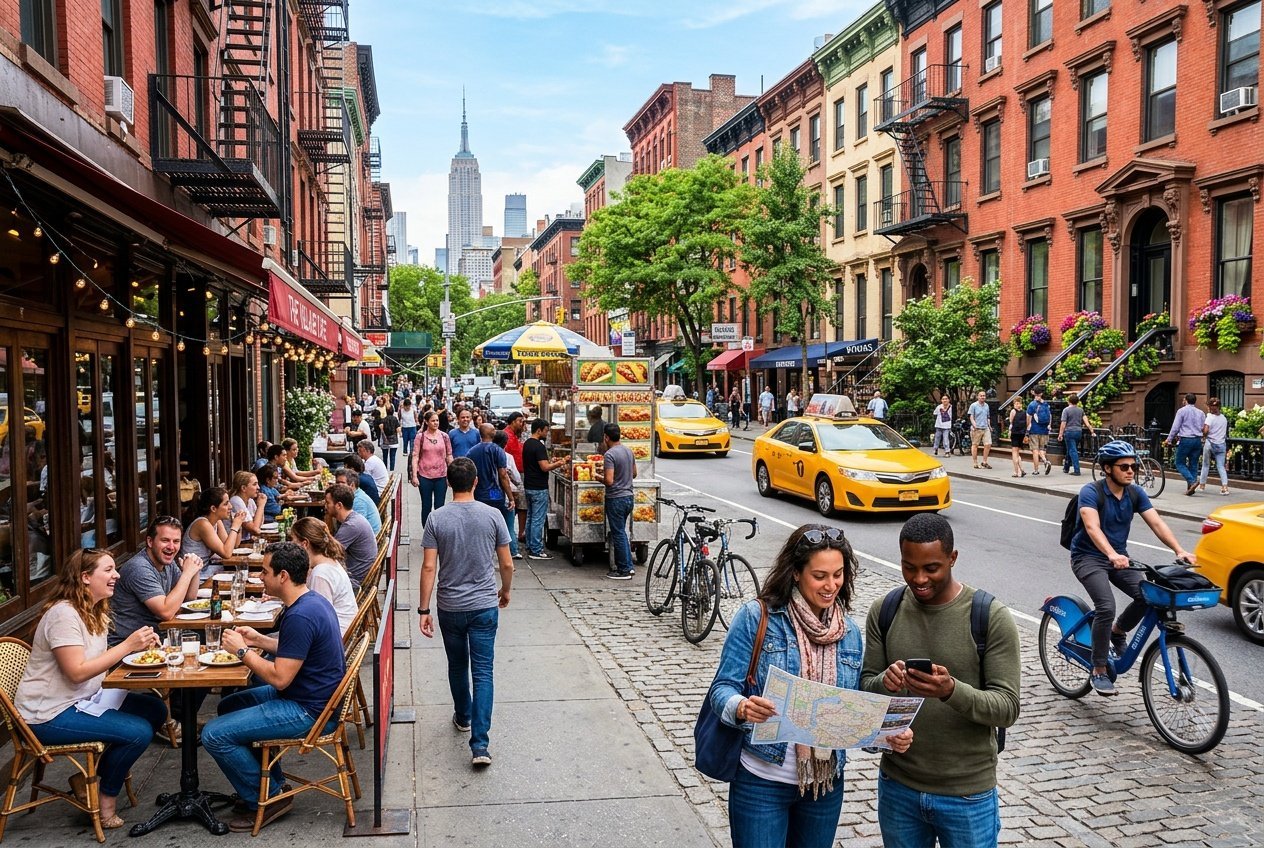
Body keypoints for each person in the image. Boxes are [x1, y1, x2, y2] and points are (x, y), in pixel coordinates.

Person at [708, 525, 912, 847]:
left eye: (838, 574)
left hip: (824, 785)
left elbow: (852, 714)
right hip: (762, 780)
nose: (831, 585)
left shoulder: (850, 634)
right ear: (796, 573)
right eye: (820, 576)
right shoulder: (757, 617)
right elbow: (722, 689)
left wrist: (888, 735)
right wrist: (742, 707)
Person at [861, 513, 1021, 848]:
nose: (918, 578)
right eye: (909, 567)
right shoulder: (885, 610)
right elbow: (865, 690)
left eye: (931, 568)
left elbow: (1006, 708)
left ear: (952, 558)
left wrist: (951, 691)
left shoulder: (990, 616)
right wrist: (884, 685)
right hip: (898, 787)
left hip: (967, 795)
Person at [16, 549, 166, 830]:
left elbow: (97, 661)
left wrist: (141, 650)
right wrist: (127, 646)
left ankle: (90, 778)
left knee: (155, 709)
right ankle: (104, 797)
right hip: (48, 714)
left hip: (83, 698)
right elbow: (76, 672)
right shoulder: (64, 614)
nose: (117, 575)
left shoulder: (95, 608)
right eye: (108, 570)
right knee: (138, 732)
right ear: (85, 577)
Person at [202, 542, 345, 832]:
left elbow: (280, 678)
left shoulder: (300, 615)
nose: (260, 577)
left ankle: (266, 798)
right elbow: (294, 649)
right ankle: (271, 781)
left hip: (308, 710)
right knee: (229, 705)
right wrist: (258, 640)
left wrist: (243, 652)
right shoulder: (311, 601)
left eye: (264, 572)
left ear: (282, 576)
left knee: (213, 734)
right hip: (312, 696)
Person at [1071, 440, 1195, 695]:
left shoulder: (1135, 493)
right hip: (1088, 557)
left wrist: (1179, 549)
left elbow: (1157, 523)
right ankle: (1099, 669)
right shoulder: (1091, 492)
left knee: (1148, 595)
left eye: (1134, 466)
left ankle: (1118, 632)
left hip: (1120, 558)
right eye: (1124, 466)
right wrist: (1111, 553)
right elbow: (1092, 527)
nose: (1131, 471)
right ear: (1107, 469)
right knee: (1106, 606)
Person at [417, 457, 514, 768]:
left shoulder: (436, 519)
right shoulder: (493, 516)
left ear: (447, 483)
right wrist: (506, 590)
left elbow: (429, 566)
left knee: (458, 666)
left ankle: (463, 715)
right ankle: (480, 744)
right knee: (483, 672)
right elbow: (507, 563)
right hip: (484, 603)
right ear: (475, 483)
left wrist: (423, 609)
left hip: (451, 605)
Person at [109, 516, 203, 646]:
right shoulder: (139, 568)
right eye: (165, 540)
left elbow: (189, 598)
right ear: (150, 541)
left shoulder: (166, 561)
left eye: (176, 541)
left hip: (156, 637)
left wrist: (195, 569)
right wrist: (187, 573)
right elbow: (166, 612)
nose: (171, 547)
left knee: (209, 635)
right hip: (129, 646)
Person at [289, 517, 358, 636]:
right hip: (340, 631)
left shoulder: (321, 573)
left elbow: (317, 618)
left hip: (336, 636)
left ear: (304, 544)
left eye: (294, 542)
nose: (291, 545)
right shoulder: (326, 562)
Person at [467, 424, 518, 558]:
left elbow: (469, 474)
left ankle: (481, 552)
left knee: (479, 526)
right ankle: (502, 555)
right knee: (497, 525)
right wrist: (510, 497)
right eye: (494, 429)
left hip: (479, 494)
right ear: (490, 433)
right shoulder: (498, 450)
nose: (496, 431)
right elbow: (503, 475)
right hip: (495, 494)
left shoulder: (472, 452)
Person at [522, 418, 566, 559]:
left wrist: (551, 462)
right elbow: (544, 467)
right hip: (538, 487)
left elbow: (539, 463)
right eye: (546, 430)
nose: (547, 433)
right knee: (537, 519)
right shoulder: (538, 446)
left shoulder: (527, 444)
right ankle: (536, 550)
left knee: (531, 517)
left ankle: (530, 545)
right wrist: (560, 462)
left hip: (529, 485)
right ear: (539, 430)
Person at [182, 486, 247, 578]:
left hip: (205, 570)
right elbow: (226, 553)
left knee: (241, 576)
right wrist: (235, 527)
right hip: (195, 577)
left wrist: (238, 525)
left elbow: (233, 546)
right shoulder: (202, 524)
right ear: (213, 508)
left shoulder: (217, 521)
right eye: (226, 504)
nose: (230, 507)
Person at [601, 423, 636, 580]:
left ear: (606, 437)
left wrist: (597, 477)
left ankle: (624, 569)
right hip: (629, 497)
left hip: (616, 498)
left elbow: (609, 481)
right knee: (622, 532)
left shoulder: (610, 455)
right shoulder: (628, 451)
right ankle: (628, 565)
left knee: (619, 534)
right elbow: (634, 473)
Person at [324, 484, 377, 588]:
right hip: (355, 574)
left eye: (327, 503)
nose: (325, 506)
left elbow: (329, 553)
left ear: (339, 505)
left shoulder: (351, 526)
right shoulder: (355, 518)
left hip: (353, 582)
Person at [410, 410, 453, 527]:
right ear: (426, 422)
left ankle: (439, 530)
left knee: (440, 505)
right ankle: (427, 530)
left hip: (441, 475)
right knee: (426, 505)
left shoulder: (444, 436)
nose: (435, 423)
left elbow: (449, 455)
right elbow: (415, 456)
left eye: (437, 420)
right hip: (424, 476)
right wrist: (414, 475)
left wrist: (452, 474)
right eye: (433, 421)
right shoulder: (420, 437)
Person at [1166, 392, 1207, 496]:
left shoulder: (1181, 411)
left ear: (1186, 400)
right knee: (1193, 464)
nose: (1183, 401)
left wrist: (1169, 439)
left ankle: (1192, 482)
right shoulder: (1201, 413)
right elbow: (1203, 427)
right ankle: (1191, 488)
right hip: (1197, 440)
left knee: (1179, 463)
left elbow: (1175, 427)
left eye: (1184, 399)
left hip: (1186, 439)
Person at [491, 430, 524, 560]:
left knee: (491, 524)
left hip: (491, 493)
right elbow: (516, 477)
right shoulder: (508, 457)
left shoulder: (487, 454)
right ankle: (513, 550)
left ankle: (491, 550)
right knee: (508, 523)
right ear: (505, 443)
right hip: (505, 493)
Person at [502, 413, 528, 544]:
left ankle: (519, 533)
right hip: (513, 475)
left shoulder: (515, 436)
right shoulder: (507, 436)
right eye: (519, 421)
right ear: (512, 422)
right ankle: (515, 534)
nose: (521, 424)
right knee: (516, 504)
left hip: (518, 473)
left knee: (519, 505)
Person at [333, 467, 382, 534]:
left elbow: (355, 529)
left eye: (342, 483)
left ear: (352, 485)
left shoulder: (358, 501)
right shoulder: (354, 495)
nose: (338, 486)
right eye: (337, 482)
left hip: (368, 539)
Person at [1199, 397, 1230, 495]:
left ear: (1210, 407)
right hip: (1221, 444)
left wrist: (1203, 434)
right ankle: (1225, 487)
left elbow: (1206, 430)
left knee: (1206, 465)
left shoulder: (1209, 417)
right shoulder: (1224, 418)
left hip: (1210, 443)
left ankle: (1202, 485)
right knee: (1221, 466)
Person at [1058, 392, 1094, 476]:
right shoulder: (1080, 410)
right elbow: (1086, 422)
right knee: (1070, 449)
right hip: (1078, 432)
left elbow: (1063, 423)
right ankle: (1066, 467)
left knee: (1072, 450)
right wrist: (1091, 430)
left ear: (1069, 401)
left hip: (1069, 432)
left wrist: (1060, 434)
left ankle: (1077, 470)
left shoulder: (1066, 410)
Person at [228, 469, 267, 541]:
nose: (258, 487)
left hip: (247, 541)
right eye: (254, 484)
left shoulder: (250, 500)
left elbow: (260, 523)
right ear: (243, 488)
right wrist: (261, 506)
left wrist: (260, 506)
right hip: (238, 545)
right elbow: (255, 530)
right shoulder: (236, 501)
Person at [1025, 386, 1053, 475]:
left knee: (1035, 450)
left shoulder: (1032, 405)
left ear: (1033, 393)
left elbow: (1028, 418)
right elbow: (1050, 416)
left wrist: (1027, 429)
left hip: (1034, 429)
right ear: (1041, 393)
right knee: (1042, 449)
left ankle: (1036, 470)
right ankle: (1045, 460)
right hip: (1044, 430)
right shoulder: (1046, 404)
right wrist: (1049, 425)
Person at [967, 391, 993, 469]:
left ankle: (984, 461)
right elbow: (971, 416)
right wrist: (974, 425)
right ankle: (975, 462)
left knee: (988, 444)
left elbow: (987, 417)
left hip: (985, 427)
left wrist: (990, 426)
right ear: (978, 397)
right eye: (981, 396)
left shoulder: (986, 406)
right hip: (977, 428)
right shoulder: (973, 405)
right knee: (975, 445)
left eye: (984, 396)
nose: (982, 397)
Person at [1006, 394, 1027, 477]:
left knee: (1014, 452)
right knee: (1017, 452)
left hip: (1015, 432)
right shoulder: (1024, 412)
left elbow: (1011, 422)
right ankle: (1021, 469)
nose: (1017, 405)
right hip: (1021, 433)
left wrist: (1009, 431)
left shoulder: (1013, 411)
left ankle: (1016, 471)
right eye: (1016, 403)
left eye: (1018, 403)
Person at [376, 404, 400, 471]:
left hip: (385, 441)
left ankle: (385, 470)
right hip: (394, 441)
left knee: (385, 456)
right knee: (392, 457)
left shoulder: (383, 420)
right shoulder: (395, 419)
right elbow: (398, 429)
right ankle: (392, 471)